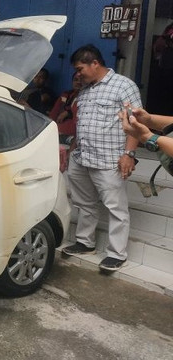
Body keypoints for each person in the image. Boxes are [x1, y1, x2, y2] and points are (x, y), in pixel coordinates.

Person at [61, 44, 142, 271]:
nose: (78, 74)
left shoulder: (124, 86)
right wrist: (72, 150)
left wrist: (129, 154)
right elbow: (82, 123)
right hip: (82, 157)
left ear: (94, 63)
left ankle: (117, 254)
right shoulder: (85, 90)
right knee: (84, 203)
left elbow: (136, 123)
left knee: (116, 208)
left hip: (109, 160)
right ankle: (85, 243)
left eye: (80, 69)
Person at [49, 72, 81, 144]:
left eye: (81, 80)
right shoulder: (65, 95)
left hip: (72, 136)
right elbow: (54, 113)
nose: (78, 82)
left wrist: (68, 113)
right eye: (76, 80)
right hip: (56, 132)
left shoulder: (87, 98)